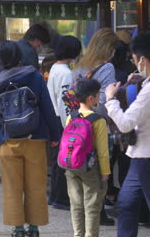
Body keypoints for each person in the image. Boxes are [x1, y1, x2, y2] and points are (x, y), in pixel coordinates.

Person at [0, 41, 60, 237]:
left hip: (8, 139)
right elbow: (47, 107)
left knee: (12, 187)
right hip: (35, 137)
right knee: (36, 186)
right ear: (20, 56)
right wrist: (54, 135)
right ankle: (34, 228)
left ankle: (18, 229)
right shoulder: (34, 76)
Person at [104, 32, 150, 237]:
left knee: (128, 202)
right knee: (127, 202)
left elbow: (124, 123)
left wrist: (110, 99)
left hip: (146, 156)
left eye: (134, 60)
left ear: (142, 59)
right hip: (139, 154)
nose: (134, 64)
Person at [73, 27, 118, 226]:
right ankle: (97, 211)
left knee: (84, 167)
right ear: (109, 48)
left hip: (79, 122)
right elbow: (105, 103)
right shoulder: (107, 68)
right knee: (102, 168)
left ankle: (83, 209)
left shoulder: (80, 65)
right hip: (97, 124)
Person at [64, 78, 111, 237]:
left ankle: (78, 234)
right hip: (91, 168)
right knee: (92, 206)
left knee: (76, 205)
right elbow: (103, 151)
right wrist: (105, 173)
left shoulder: (72, 116)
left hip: (71, 166)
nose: (99, 98)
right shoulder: (98, 121)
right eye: (98, 95)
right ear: (91, 98)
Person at [47, 36, 82, 211]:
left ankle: (55, 196)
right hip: (61, 120)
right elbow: (65, 102)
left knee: (56, 160)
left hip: (53, 118)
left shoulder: (55, 67)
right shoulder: (66, 73)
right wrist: (70, 125)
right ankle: (61, 197)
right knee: (63, 160)